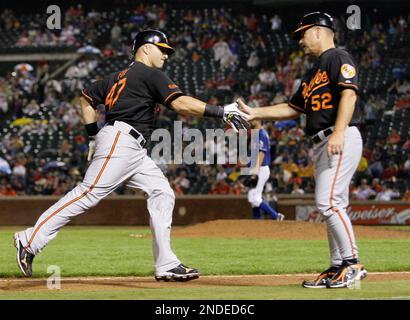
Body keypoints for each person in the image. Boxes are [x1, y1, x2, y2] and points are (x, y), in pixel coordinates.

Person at [14, 29, 249, 281]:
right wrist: (221, 111)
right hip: (122, 140)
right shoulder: (149, 73)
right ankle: (29, 240)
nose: (166, 55)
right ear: (145, 48)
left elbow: (85, 99)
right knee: (87, 193)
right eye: (163, 49)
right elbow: (180, 104)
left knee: (162, 192)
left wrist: (93, 134)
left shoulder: (116, 77)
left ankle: (166, 263)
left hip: (131, 147)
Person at [238, 12, 367, 289]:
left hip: (339, 135)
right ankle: (337, 267)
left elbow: (349, 93)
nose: (300, 41)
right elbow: (292, 107)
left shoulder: (337, 57)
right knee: (333, 204)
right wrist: (255, 112)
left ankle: (352, 263)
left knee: (328, 202)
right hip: (323, 140)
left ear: (320, 31)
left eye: (303, 34)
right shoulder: (313, 73)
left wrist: (340, 131)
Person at [246, 120, 284, 221]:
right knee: (252, 197)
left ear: (258, 121)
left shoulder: (262, 134)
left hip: (261, 169)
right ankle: (257, 221)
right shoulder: (256, 134)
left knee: (255, 197)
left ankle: (276, 216)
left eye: (254, 118)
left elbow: (262, 154)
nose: (250, 120)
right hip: (257, 168)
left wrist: (255, 172)